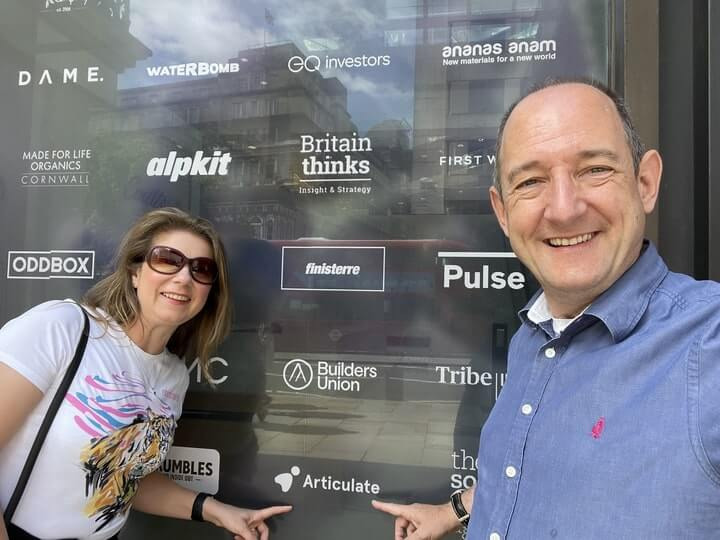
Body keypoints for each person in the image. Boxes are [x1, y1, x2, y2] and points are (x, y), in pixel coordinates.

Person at [373, 77, 720, 538]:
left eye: (594, 169)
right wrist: (455, 511)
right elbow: (542, 469)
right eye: (531, 181)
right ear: (503, 212)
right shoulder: (533, 337)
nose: (562, 208)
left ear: (645, 182)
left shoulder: (708, 344)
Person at [0, 207, 291, 540]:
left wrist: (218, 512)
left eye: (201, 269)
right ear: (135, 272)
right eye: (167, 259)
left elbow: (123, 477)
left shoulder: (173, 376)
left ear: (209, 292)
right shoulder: (62, 328)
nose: (184, 278)